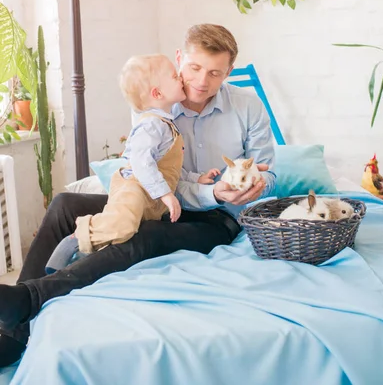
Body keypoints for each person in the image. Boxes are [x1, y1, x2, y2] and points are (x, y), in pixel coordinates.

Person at [0, 24, 276, 367]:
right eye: (194, 68)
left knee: (143, 235)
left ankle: (29, 299)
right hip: (161, 201)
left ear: (228, 73)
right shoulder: (155, 104)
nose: (202, 81)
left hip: (218, 217)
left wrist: (252, 186)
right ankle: (11, 329)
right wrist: (203, 188)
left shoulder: (248, 107)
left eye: (215, 73)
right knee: (64, 205)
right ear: (179, 59)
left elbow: (270, 173)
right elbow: (153, 175)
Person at [46, 53, 191, 273]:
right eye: (174, 76)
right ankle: (76, 239)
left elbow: (171, 167)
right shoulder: (152, 125)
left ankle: (83, 257)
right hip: (134, 186)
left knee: (127, 233)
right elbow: (141, 162)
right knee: (122, 226)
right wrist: (166, 194)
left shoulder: (166, 124)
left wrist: (200, 178)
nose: (180, 77)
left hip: (148, 195)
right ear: (157, 93)